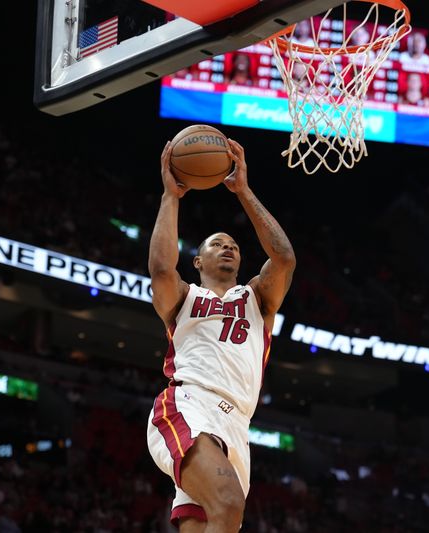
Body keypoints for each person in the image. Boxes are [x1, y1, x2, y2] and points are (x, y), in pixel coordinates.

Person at [146, 139, 296, 531]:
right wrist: (170, 196)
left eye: (233, 245)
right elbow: (162, 270)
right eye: (217, 243)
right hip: (190, 403)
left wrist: (243, 191)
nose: (228, 247)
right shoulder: (183, 297)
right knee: (227, 504)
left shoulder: (258, 299)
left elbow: (284, 258)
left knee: (215, 520)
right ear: (198, 260)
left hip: (238, 426)